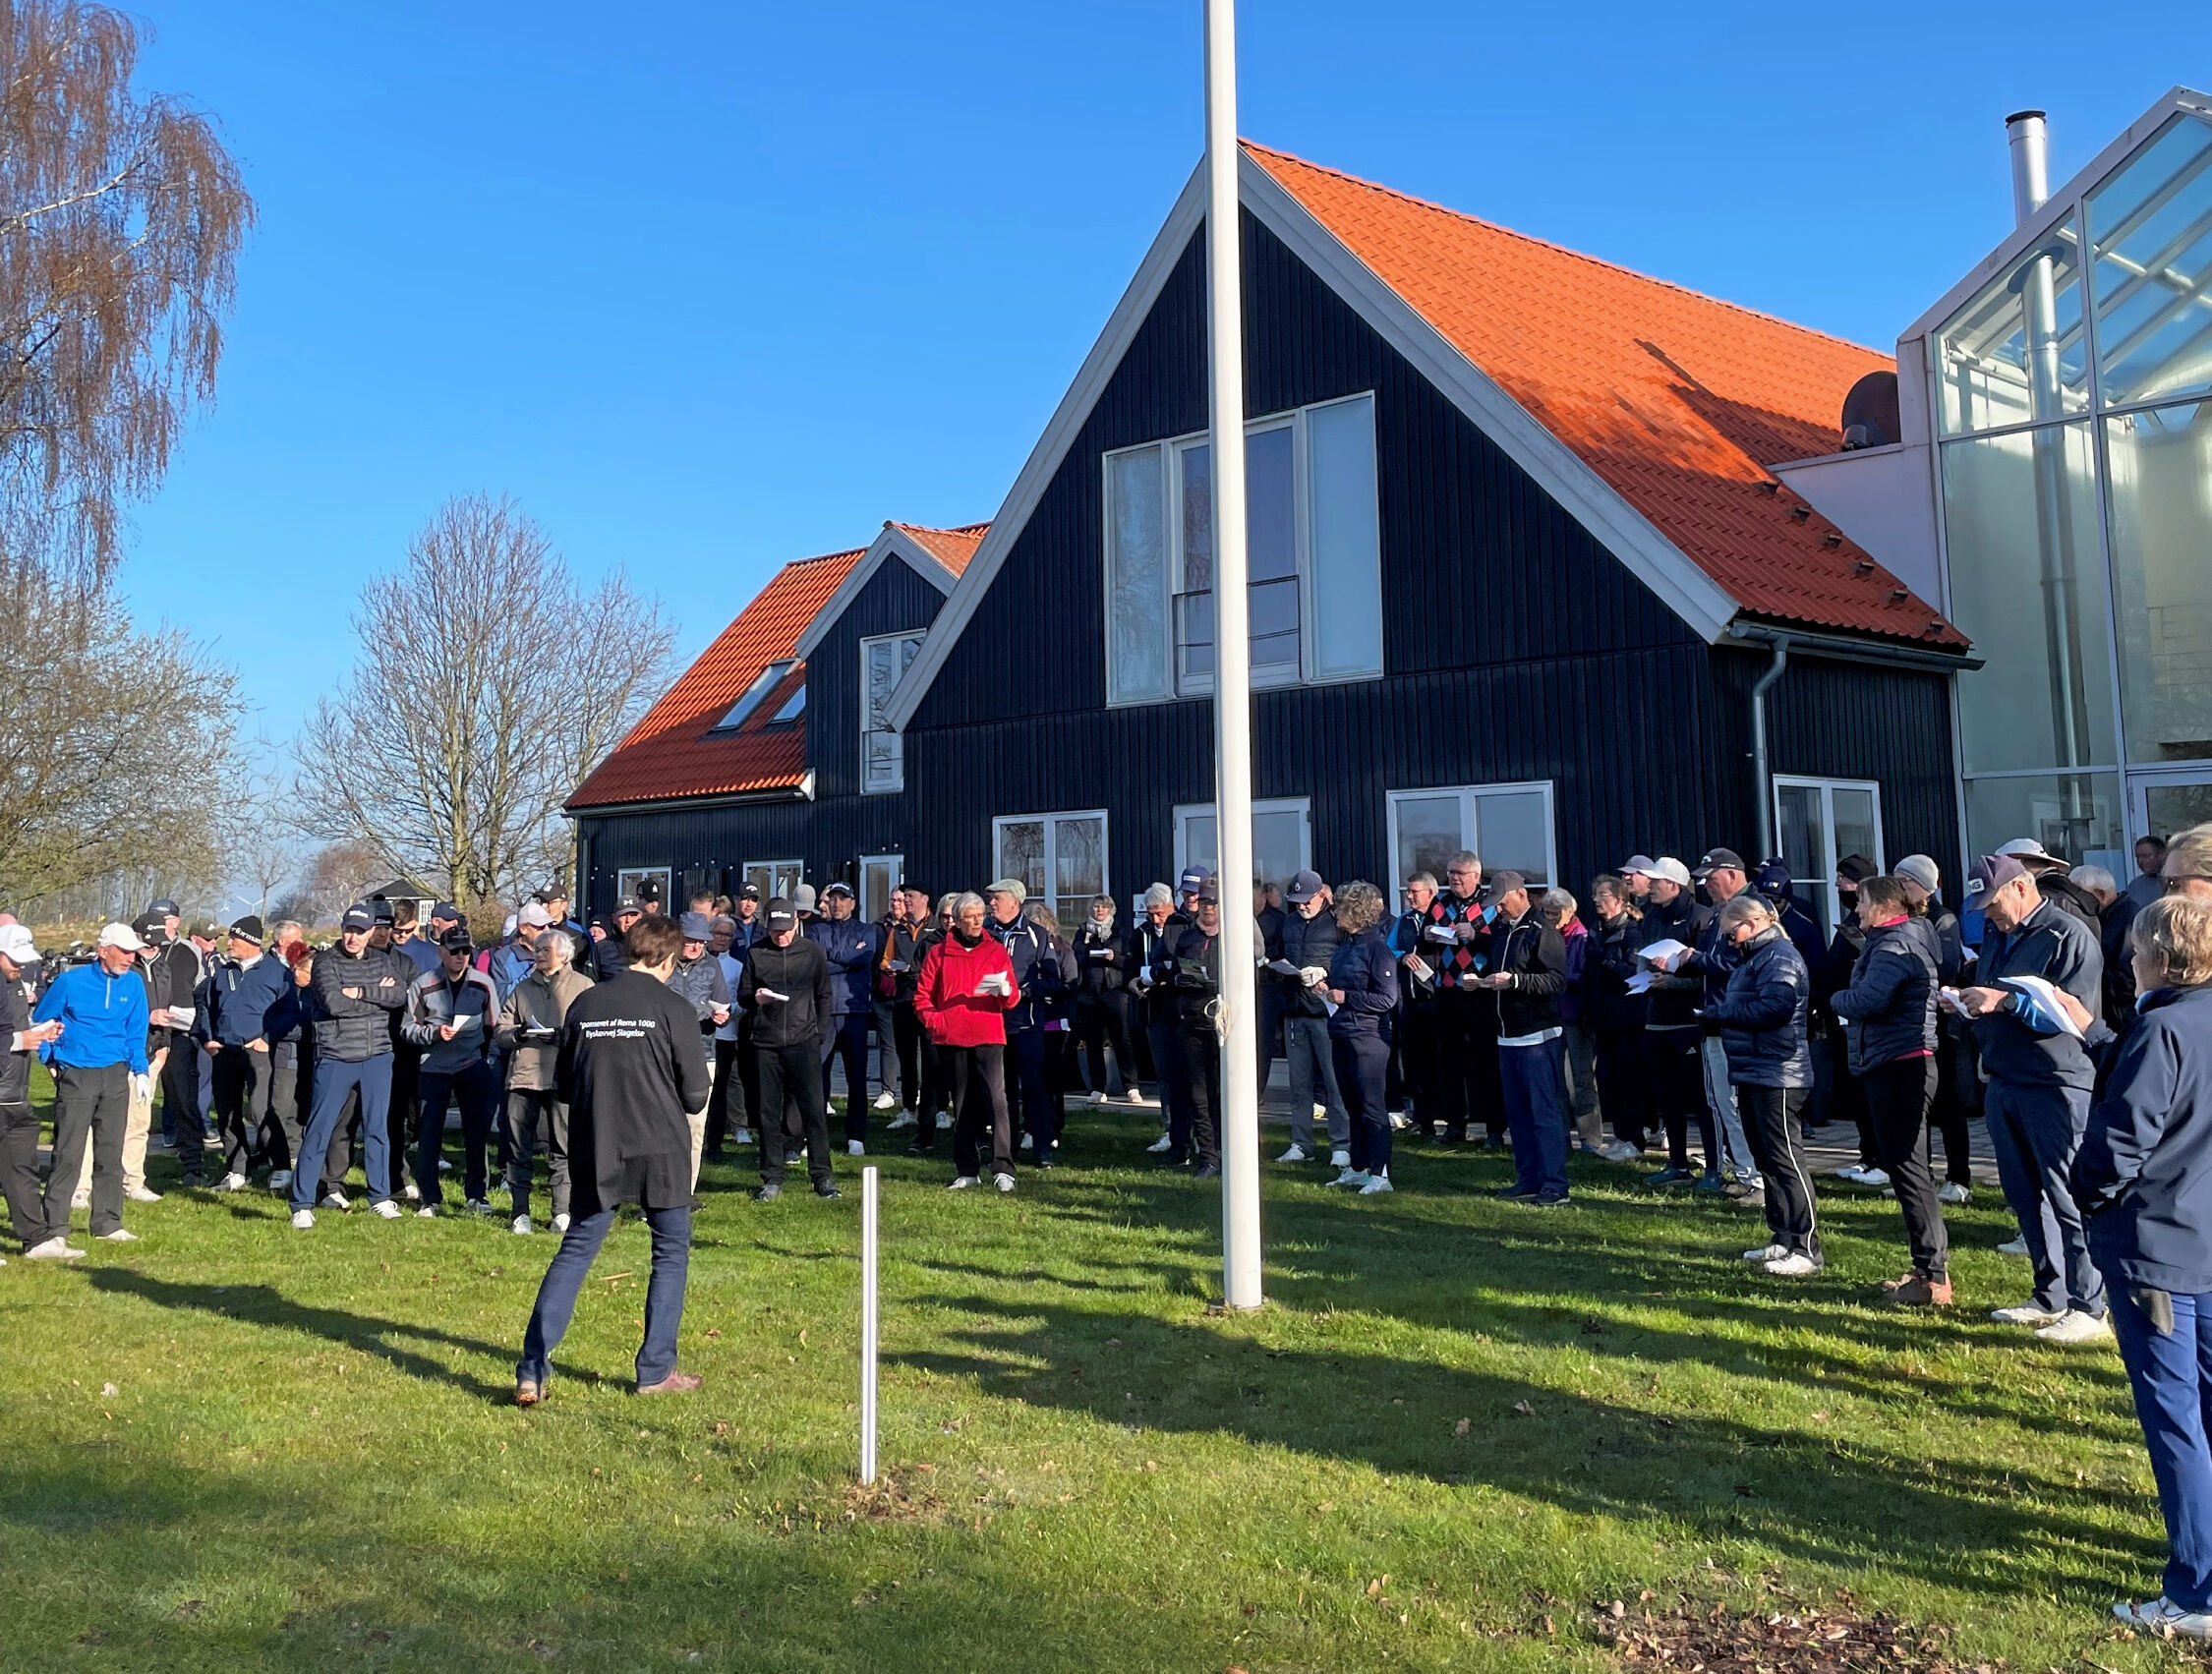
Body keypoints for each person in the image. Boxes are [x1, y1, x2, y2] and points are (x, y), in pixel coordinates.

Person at [2070, 895, 2212, 1639]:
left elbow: (2122, 1140)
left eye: (2134, 952)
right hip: (2200, 1234)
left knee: (2174, 1416)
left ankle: (2197, 1592)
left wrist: (2085, 1194)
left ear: (2159, 957)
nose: (2128, 962)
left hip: (2156, 1243)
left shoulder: (2162, 1027)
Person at [514, 912, 709, 1404]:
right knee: (670, 1252)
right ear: (667, 959)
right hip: (661, 1148)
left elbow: (564, 1086)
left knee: (577, 1248)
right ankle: (655, 1371)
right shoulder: (675, 1007)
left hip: (597, 1143)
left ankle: (533, 1369)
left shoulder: (586, 1002)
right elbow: (695, 1095)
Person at [1954, 853, 2111, 1343]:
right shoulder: (1997, 933)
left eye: (1993, 902)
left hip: (2056, 1080)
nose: (1989, 914)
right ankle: (2050, 1294)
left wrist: (2005, 1002)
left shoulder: (2067, 935)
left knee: (2068, 1195)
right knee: (2024, 1194)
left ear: (2022, 887)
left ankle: (2090, 1305)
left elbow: (2075, 1014)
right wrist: (1968, 1001)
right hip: (2005, 1078)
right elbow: (1993, 992)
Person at [1833, 875, 1950, 1304]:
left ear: (1883, 907)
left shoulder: (1895, 944)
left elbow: (1869, 999)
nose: (1856, 910)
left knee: (1909, 1169)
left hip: (1900, 1064)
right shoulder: (1893, 939)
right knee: (1909, 1168)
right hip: (1896, 1061)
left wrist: (1836, 999)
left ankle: (1932, 1277)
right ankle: (1928, 1269)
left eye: (1861, 902)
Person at [1698, 894, 1820, 1276]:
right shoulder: (1755, 957)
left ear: (1752, 924)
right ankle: (1781, 1236)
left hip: (1779, 1072)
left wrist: (1722, 1014)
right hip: (1754, 1069)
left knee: (1786, 1161)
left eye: (1731, 934)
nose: (1729, 942)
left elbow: (1776, 1009)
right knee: (1766, 1160)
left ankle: (1806, 1246)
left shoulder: (1779, 956)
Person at [28, 922, 150, 1256]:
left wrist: (140, 1070)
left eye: (133, 952)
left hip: (116, 1074)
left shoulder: (134, 983)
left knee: (110, 1152)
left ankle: (108, 1223)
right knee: (68, 1153)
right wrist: (49, 1059)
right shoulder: (70, 982)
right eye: (123, 951)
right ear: (103, 950)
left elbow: (136, 1030)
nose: (130, 958)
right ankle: (55, 1228)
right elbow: (42, 1022)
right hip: (77, 1073)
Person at [290, 902, 413, 1230]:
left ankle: (380, 1197)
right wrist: (375, 998)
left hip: (377, 1056)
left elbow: (399, 995)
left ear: (371, 932)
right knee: (319, 1129)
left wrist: (358, 991)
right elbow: (333, 1003)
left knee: (377, 1130)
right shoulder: (326, 961)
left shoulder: (382, 960)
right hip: (335, 1056)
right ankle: (301, 1204)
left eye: (360, 931)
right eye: (348, 930)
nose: (353, 937)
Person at [914, 891, 1021, 1191]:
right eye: (970, 917)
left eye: (980, 916)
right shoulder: (939, 953)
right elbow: (922, 998)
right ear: (957, 921)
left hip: (989, 1035)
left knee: (996, 1101)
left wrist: (1005, 993)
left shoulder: (995, 950)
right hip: (954, 1038)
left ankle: (1003, 1168)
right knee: (962, 1104)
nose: (977, 922)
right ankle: (967, 1169)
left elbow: (1012, 996)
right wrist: (939, 1023)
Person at [1678, 848, 1768, 1202]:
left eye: (1710, 878)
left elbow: (1739, 965)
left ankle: (1758, 1177)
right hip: (1718, 1018)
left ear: (1731, 874)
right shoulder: (1720, 913)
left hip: (1737, 1021)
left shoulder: (1752, 909)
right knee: (1724, 1103)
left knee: (1738, 1103)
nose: (1706, 886)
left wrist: (1695, 958)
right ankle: (1746, 1172)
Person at [1480, 871, 1571, 1205]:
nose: (1499, 909)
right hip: (1507, 1035)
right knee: (1518, 1114)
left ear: (1521, 894)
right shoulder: (1502, 931)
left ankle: (1555, 1184)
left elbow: (1556, 980)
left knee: (1544, 1113)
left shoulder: (1542, 930)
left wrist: (1515, 982)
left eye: (1502, 902)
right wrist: (1483, 982)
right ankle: (1528, 1177)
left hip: (1537, 1036)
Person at [739, 896, 837, 1200]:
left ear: (796, 923)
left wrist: (819, 1033)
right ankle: (772, 1177)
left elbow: (824, 995)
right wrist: (756, 999)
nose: (780, 936)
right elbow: (743, 995)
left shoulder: (811, 952)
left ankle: (822, 1176)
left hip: (804, 1040)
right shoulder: (756, 953)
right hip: (765, 1043)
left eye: (785, 930)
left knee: (813, 1110)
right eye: (774, 931)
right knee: (768, 1112)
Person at [405, 923, 504, 1217]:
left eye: (466, 951)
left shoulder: (483, 983)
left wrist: (483, 1059)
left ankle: (477, 1195)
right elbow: (407, 1029)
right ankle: (429, 1198)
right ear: (441, 952)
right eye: (454, 951)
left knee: (476, 1133)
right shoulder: (423, 984)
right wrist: (434, 1034)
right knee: (429, 1134)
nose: (461, 956)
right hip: (432, 1067)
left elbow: (494, 1025)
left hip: (471, 1064)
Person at [497, 923, 591, 1235]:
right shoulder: (522, 988)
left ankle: (561, 1211)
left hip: (564, 1078)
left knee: (563, 1147)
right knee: (518, 1148)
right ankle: (519, 1212)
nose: (538, 954)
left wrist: (564, 1037)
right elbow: (501, 1030)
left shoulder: (584, 987)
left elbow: (591, 1033)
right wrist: (519, 1033)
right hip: (523, 1078)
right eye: (536, 949)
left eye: (545, 950)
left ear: (564, 955)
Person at [1896, 854, 1976, 1205]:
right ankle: (1920, 1174)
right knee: (1916, 1102)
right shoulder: (1903, 917)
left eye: (1904, 881)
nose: (1899, 887)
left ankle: (1959, 1176)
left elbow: (1944, 966)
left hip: (1940, 1020)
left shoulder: (1943, 919)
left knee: (1947, 1100)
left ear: (1921, 885)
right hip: (1911, 1018)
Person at [1638, 857, 1718, 1187]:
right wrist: (1645, 975)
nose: (1650, 886)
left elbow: (1708, 976)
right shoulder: (1650, 916)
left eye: (1656, 881)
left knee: (1701, 1099)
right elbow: (1644, 957)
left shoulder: (1701, 917)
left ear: (1673, 884)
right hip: (1656, 1019)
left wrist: (1674, 982)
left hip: (1689, 1023)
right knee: (1667, 1098)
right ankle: (1678, 1164)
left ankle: (1714, 1167)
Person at [199, 917, 293, 1192]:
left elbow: (290, 1012)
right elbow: (206, 1005)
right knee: (227, 1112)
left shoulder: (276, 972)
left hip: (258, 1053)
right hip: (224, 1051)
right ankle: (237, 1170)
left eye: (235, 939)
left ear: (251, 942)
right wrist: (208, 1038)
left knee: (260, 1110)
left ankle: (281, 1166)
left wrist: (267, 1038)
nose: (229, 943)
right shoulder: (223, 971)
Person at [986, 879, 1071, 1169]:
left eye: (997, 898)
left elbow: (1052, 979)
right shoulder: (986, 932)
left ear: (1014, 902)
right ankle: (1005, 1150)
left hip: (1027, 1024)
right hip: (993, 1023)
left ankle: (1043, 1147)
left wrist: (1023, 992)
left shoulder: (1036, 934)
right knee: (1001, 1092)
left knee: (1034, 1087)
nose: (992, 903)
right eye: (991, 899)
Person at [1419, 851, 1500, 1145]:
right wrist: (1427, 935)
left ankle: (1494, 1128)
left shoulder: (1491, 904)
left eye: (1459, 873)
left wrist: (1475, 936)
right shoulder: (1440, 903)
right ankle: (1454, 1125)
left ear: (1476, 876)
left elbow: (1501, 944)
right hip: (1447, 991)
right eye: (1451, 872)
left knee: (1485, 1061)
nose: (1453, 878)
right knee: (1449, 1061)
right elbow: (1422, 946)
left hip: (1480, 991)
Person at [1323, 881, 1399, 1194]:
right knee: (1352, 1105)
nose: (1335, 913)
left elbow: (1387, 998)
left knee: (1372, 1106)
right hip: (1342, 1031)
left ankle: (1381, 1173)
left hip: (1368, 1037)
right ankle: (1358, 1167)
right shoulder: (1346, 945)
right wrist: (1326, 987)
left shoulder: (1377, 949)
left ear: (1355, 911)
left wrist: (1347, 997)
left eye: (1339, 907)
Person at [1275, 869, 1350, 1167]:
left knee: (1334, 1082)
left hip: (1325, 1013)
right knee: (1299, 1084)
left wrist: (1326, 973)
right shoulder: (1290, 923)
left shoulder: (1337, 923)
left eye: (1307, 900)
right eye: (1297, 901)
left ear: (1321, 896)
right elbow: (1280, 953)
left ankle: (1341, 1145)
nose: (1302, 906)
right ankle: (1301, 1142)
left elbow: (1349, 960)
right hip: (1295, 1010)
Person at [1159, 872, 1227, 1179]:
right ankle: (1208, 1157)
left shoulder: (1231, 937)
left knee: (1222, 1092)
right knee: (1197, 1094)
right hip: (1192, 1022)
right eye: (1205, 902)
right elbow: (1174, 973)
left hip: (1223, 1024)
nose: (1208, 907)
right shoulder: (1187, 938)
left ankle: (1227, 1151)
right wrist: (1180, 979)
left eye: (1214, 902)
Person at [1821, 854, 1882, 1183]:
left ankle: (1880, 1158)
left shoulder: (1873, 924)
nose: (1837, 885)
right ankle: (1867, 1154)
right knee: (1853, 1094)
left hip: (1862, 1020)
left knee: (1868, 1095)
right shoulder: (1849, 920)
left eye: (1843, 880)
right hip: (1841, 1019)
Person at [2, 925, 62, 1257]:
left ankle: (36, 1238)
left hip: (15, 1092)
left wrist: (39, 1032)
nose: (20, 966)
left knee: (23, 1168)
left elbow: (15, 1030)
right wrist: (20, 1041)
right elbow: (11, 1036)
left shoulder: (13, 985)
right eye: (14, 959)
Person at [808, 882, 878, 1156]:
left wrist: (832, 956)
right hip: (823, 1011)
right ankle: (816, 1134)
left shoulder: (866, 930)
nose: (837, 904)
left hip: (854, 1012)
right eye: (833, 899)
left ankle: (856, 1135)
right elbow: (816, 964)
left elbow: (864, 958)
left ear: (853, 903)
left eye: (842, 899)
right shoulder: (817, 930)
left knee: (856, 1076)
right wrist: (846, 958)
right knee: (818, 1075)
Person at [1586, 874, 1651, 1158]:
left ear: (1620, 900)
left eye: (1603, 895)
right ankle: (1621, 1136)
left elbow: (1635, 975)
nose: (1596, 900)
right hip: (1603, 1019)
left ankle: (1634, 1140)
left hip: (1628, 1019)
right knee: (1608, 1080)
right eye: (1595, 895)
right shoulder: (1596, 931)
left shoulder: (1632, 932)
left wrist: (1608, 962)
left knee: (1629, 1080)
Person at [667, 911, 732, 1183]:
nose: (696, 946)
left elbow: (723, 1003)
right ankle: (661, 1186)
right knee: (664, 1123)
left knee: (695, 1124)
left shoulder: (712, 965)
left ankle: (687, 1188)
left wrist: (722, 1015)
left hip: (702, 1052)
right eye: (691, 940)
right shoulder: (663, 963)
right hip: (664, 1052)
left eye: (702, 941)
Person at [1072, 894, 1140, 1104]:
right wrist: (1088, 950)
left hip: (1115, 990)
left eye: (1103, 907)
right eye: (1096, 907)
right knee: (1093, 1041)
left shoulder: (1120, 932)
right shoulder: (1083, 932)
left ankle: (1131, 1086)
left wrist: (1114, 957)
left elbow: (1131, 962)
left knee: (1122, 1038)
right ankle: (1097, 1088)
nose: (1099, 910)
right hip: (1089, 991)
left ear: (1111, 910)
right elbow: (1075, 956)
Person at [1133, 884, 1185, 1156]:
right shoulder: (1141, 933)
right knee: (1164, 1074)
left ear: (1171, 907)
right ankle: (1169, 1128)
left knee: (1185, 1074)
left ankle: (1188, 1132)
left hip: (1178, 1009)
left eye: (1159, 913)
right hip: (1153, 1008)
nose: (1155, 919)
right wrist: (1133, 981)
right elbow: (1130, 966)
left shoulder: (1181, 927)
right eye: (1150, 914)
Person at [1386, 873, 1441, 1131]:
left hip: (1436, 999)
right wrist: (1402, 956)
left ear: (1431, 893)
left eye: (1414, 891)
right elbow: (1388, 949)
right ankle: (1421, 1118)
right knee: (1413, 1061)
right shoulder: (1404, 920)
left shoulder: (1441, 919)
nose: (1409, 896)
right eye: (1408, 891)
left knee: (1438, 1060)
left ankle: (1446, 1115)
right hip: (1410, 1000)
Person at [880, 887, 932, 1129]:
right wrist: (889, 967)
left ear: (924, 898)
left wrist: (914, 972)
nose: (906, 901)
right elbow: (885, 959)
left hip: (929, 1001)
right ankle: (909, 1107)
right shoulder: (898, 929)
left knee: (931, 1057)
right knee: (906, 1057)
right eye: (904, 897)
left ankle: (936, 1109)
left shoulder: (934, 929)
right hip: (903, 999)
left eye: (910, 896)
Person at [703, 914, 751, 1156]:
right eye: (718, 933)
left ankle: (715, 1141)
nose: (722, 939)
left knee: (722, 1087)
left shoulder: (737, 966)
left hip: (726, 1034)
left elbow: (744, 1002)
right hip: (700, 1032)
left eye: (727, 935)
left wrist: (730, 1011)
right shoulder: (700, 962)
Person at [594, 898, 642, 981]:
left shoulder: (651, 946)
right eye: (623, 915)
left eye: (633, 915)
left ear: (640, 917)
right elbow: (590, 981)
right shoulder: (601, 948)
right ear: (614, 918)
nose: (628, 920)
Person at [2125, 835, 2170, 912]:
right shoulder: (2134, 886)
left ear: (2161, 855)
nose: (2140, 861)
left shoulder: (2175, 880)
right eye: (2137, 857)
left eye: (2145, 856)